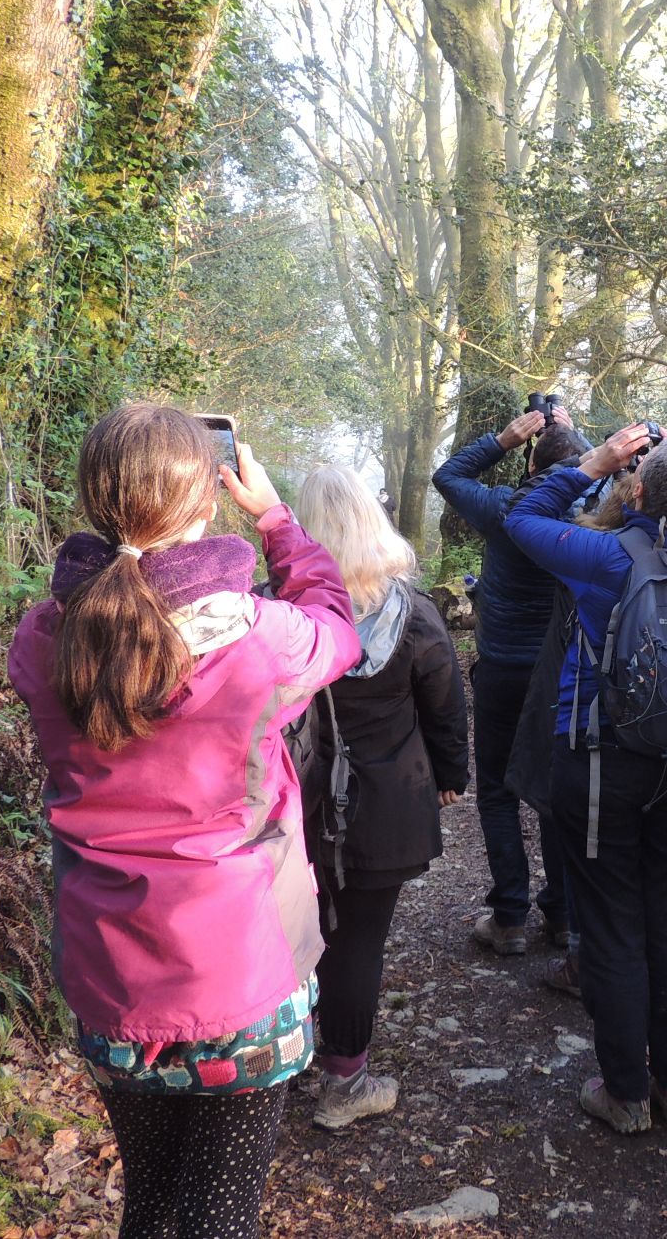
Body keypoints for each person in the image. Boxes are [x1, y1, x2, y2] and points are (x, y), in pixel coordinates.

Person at [8, 403, 359, 1239]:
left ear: (95, 501)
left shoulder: (42, 641)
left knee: (152, 1203)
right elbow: (339, 630)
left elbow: (112, 623)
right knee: (220, 1213)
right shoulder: (259, 644)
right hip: (242, 983)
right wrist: (275, 520)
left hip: (109, 979)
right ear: (207, 500)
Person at [504, 425, 667, 1135]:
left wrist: (597, 461)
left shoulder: (601, 557)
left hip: (602, 764)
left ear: (633, 488)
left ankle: (626, 1094)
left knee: (612, 923)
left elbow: (522, 518)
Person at [286, 466, 469, 1130]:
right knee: (358, 940)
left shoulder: (279, 611)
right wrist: (452, 775)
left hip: (295, 807)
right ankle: (346, 1082)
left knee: (301, 929)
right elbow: (446, 707)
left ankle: (290, 1046)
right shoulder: (413, 614)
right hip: (385, 808)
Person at [432, 405, 590, 957]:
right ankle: (565, 917)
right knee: (552, 791)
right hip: (562, 672)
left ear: (530, 460)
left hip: (502, 668)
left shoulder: (507, 505)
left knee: (498, 789)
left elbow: (447, 476)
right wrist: (577, 434)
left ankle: (509, 918)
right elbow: (601, 470)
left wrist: (502, 438)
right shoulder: (592, 509)